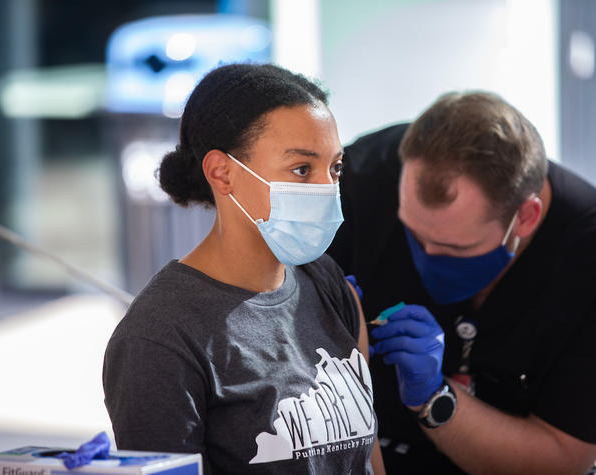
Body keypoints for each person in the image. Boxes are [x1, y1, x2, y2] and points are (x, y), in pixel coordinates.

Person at [327, 91, 596, 474]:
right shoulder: (361, 181)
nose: (425, 257)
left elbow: (559, 458)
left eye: (456, 247)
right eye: (414, 235)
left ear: (525, 218)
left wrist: (434, 397)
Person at [103, 63, 386, 475]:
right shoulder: (161, 335)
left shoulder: (325, 282)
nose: (327, 188)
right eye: (302, 169)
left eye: (335, 168)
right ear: (223, 173)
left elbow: (368, 460)